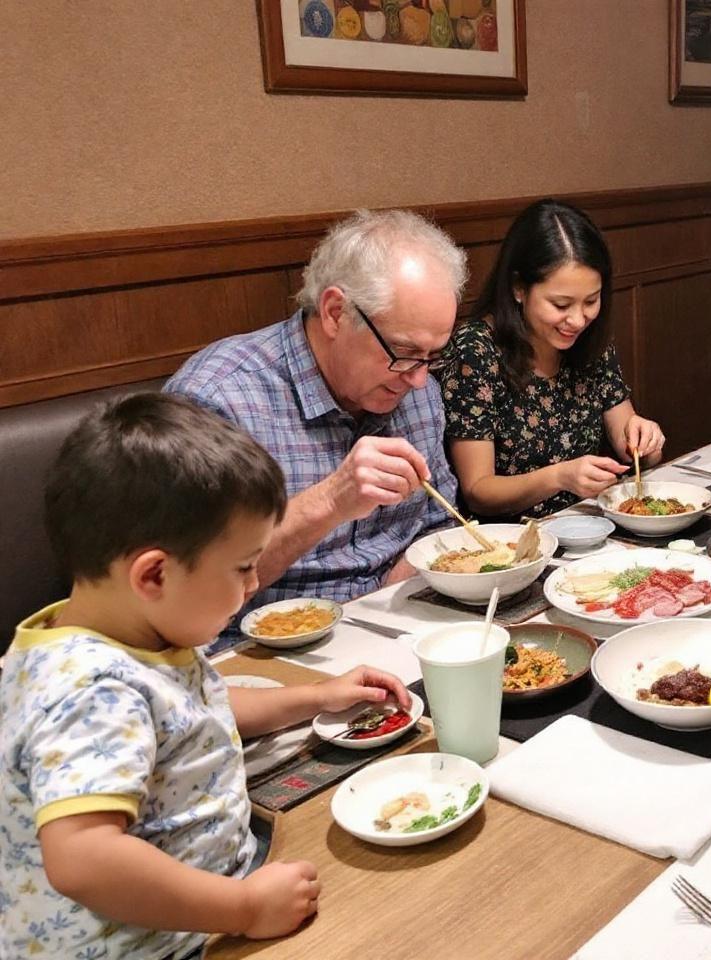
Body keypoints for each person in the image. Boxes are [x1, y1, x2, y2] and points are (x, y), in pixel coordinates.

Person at [0, 394, 412, 959]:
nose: (251, 586)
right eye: (243, 567)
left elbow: (194, 710)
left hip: (217, 893)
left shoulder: (138, 634)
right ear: (154, 575)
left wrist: (318, 695)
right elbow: (82, 859)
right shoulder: (90, 689)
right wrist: (242, 909)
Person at [166, 209, 467, 622]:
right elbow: (184, 591)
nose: (418, 379)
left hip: (396, 624)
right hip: (259, 655)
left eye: (433, 356)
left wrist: (404, 584)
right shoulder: (220, 400)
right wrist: (331, 500)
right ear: (335, 313)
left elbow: (441, 522)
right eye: (402, 351)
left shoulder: (417, 390)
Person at [442, 199, 665, 518]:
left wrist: (646, 442)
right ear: (519, 288)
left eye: (591, 300)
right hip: (513, 545)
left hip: (591, 525)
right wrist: (559, 477)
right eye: (561, 305)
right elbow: (478, 491)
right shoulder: (477, 350)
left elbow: (628, 446)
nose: (577, 319)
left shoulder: (591, 339)